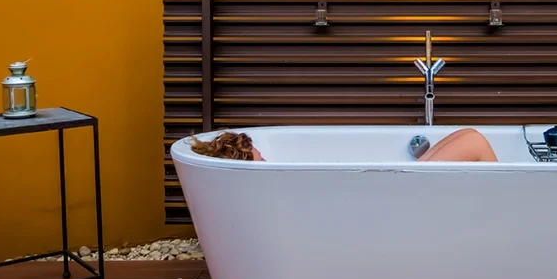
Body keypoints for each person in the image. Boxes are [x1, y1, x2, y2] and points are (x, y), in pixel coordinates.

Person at [187, 127, 497, 163]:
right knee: (474, 141)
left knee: (470, 136)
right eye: (260, 157)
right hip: (393, 203)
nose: (266, 160)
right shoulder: (270, 186)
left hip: (392, 197)